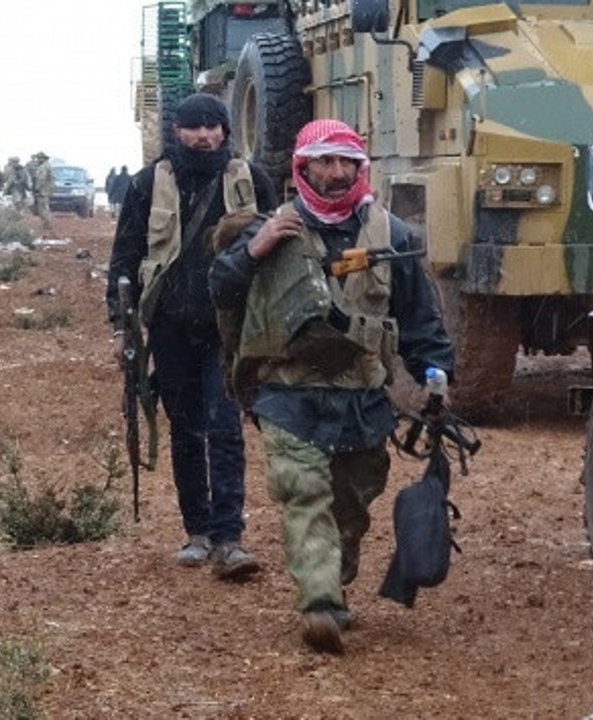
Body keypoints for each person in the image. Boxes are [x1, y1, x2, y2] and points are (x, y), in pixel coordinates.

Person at [208, 118, 453, 654]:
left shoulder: (395, 236)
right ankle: (319, 603)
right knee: (304, 492)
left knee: (352, 503)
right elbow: (220, 287)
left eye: (347, 162)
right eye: (324, 161)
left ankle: (333, 583)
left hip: (363, 398)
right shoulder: (271, 228)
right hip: (288, 392)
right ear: (303, 168)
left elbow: (419, 320)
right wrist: (254, 249)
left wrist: (436, 375)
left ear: (361, 168)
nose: (337, 172)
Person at [106, 93, 277, 578]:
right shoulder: (147, 184)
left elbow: (283, 250)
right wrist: (121, 327)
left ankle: (229, 538)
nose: (204, 136)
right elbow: (124, 257)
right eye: (193, 127)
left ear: (226, 131)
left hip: (230, 326)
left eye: (213, 126)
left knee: (225, 426)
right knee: (185, 427)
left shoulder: (251, 180)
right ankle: (196, 532)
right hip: (170, 326)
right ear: (177, 131)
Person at [29, 151, 54, 232]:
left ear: (42, 158)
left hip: (43, 190)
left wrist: (37, 188)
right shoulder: (47, 165)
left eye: (38, 158)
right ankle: (46, 224)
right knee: (44, 207)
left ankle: (46, 224)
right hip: (46, 190)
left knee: (42, 208)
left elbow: (41, 179)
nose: (37, 160)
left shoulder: (43, 167)